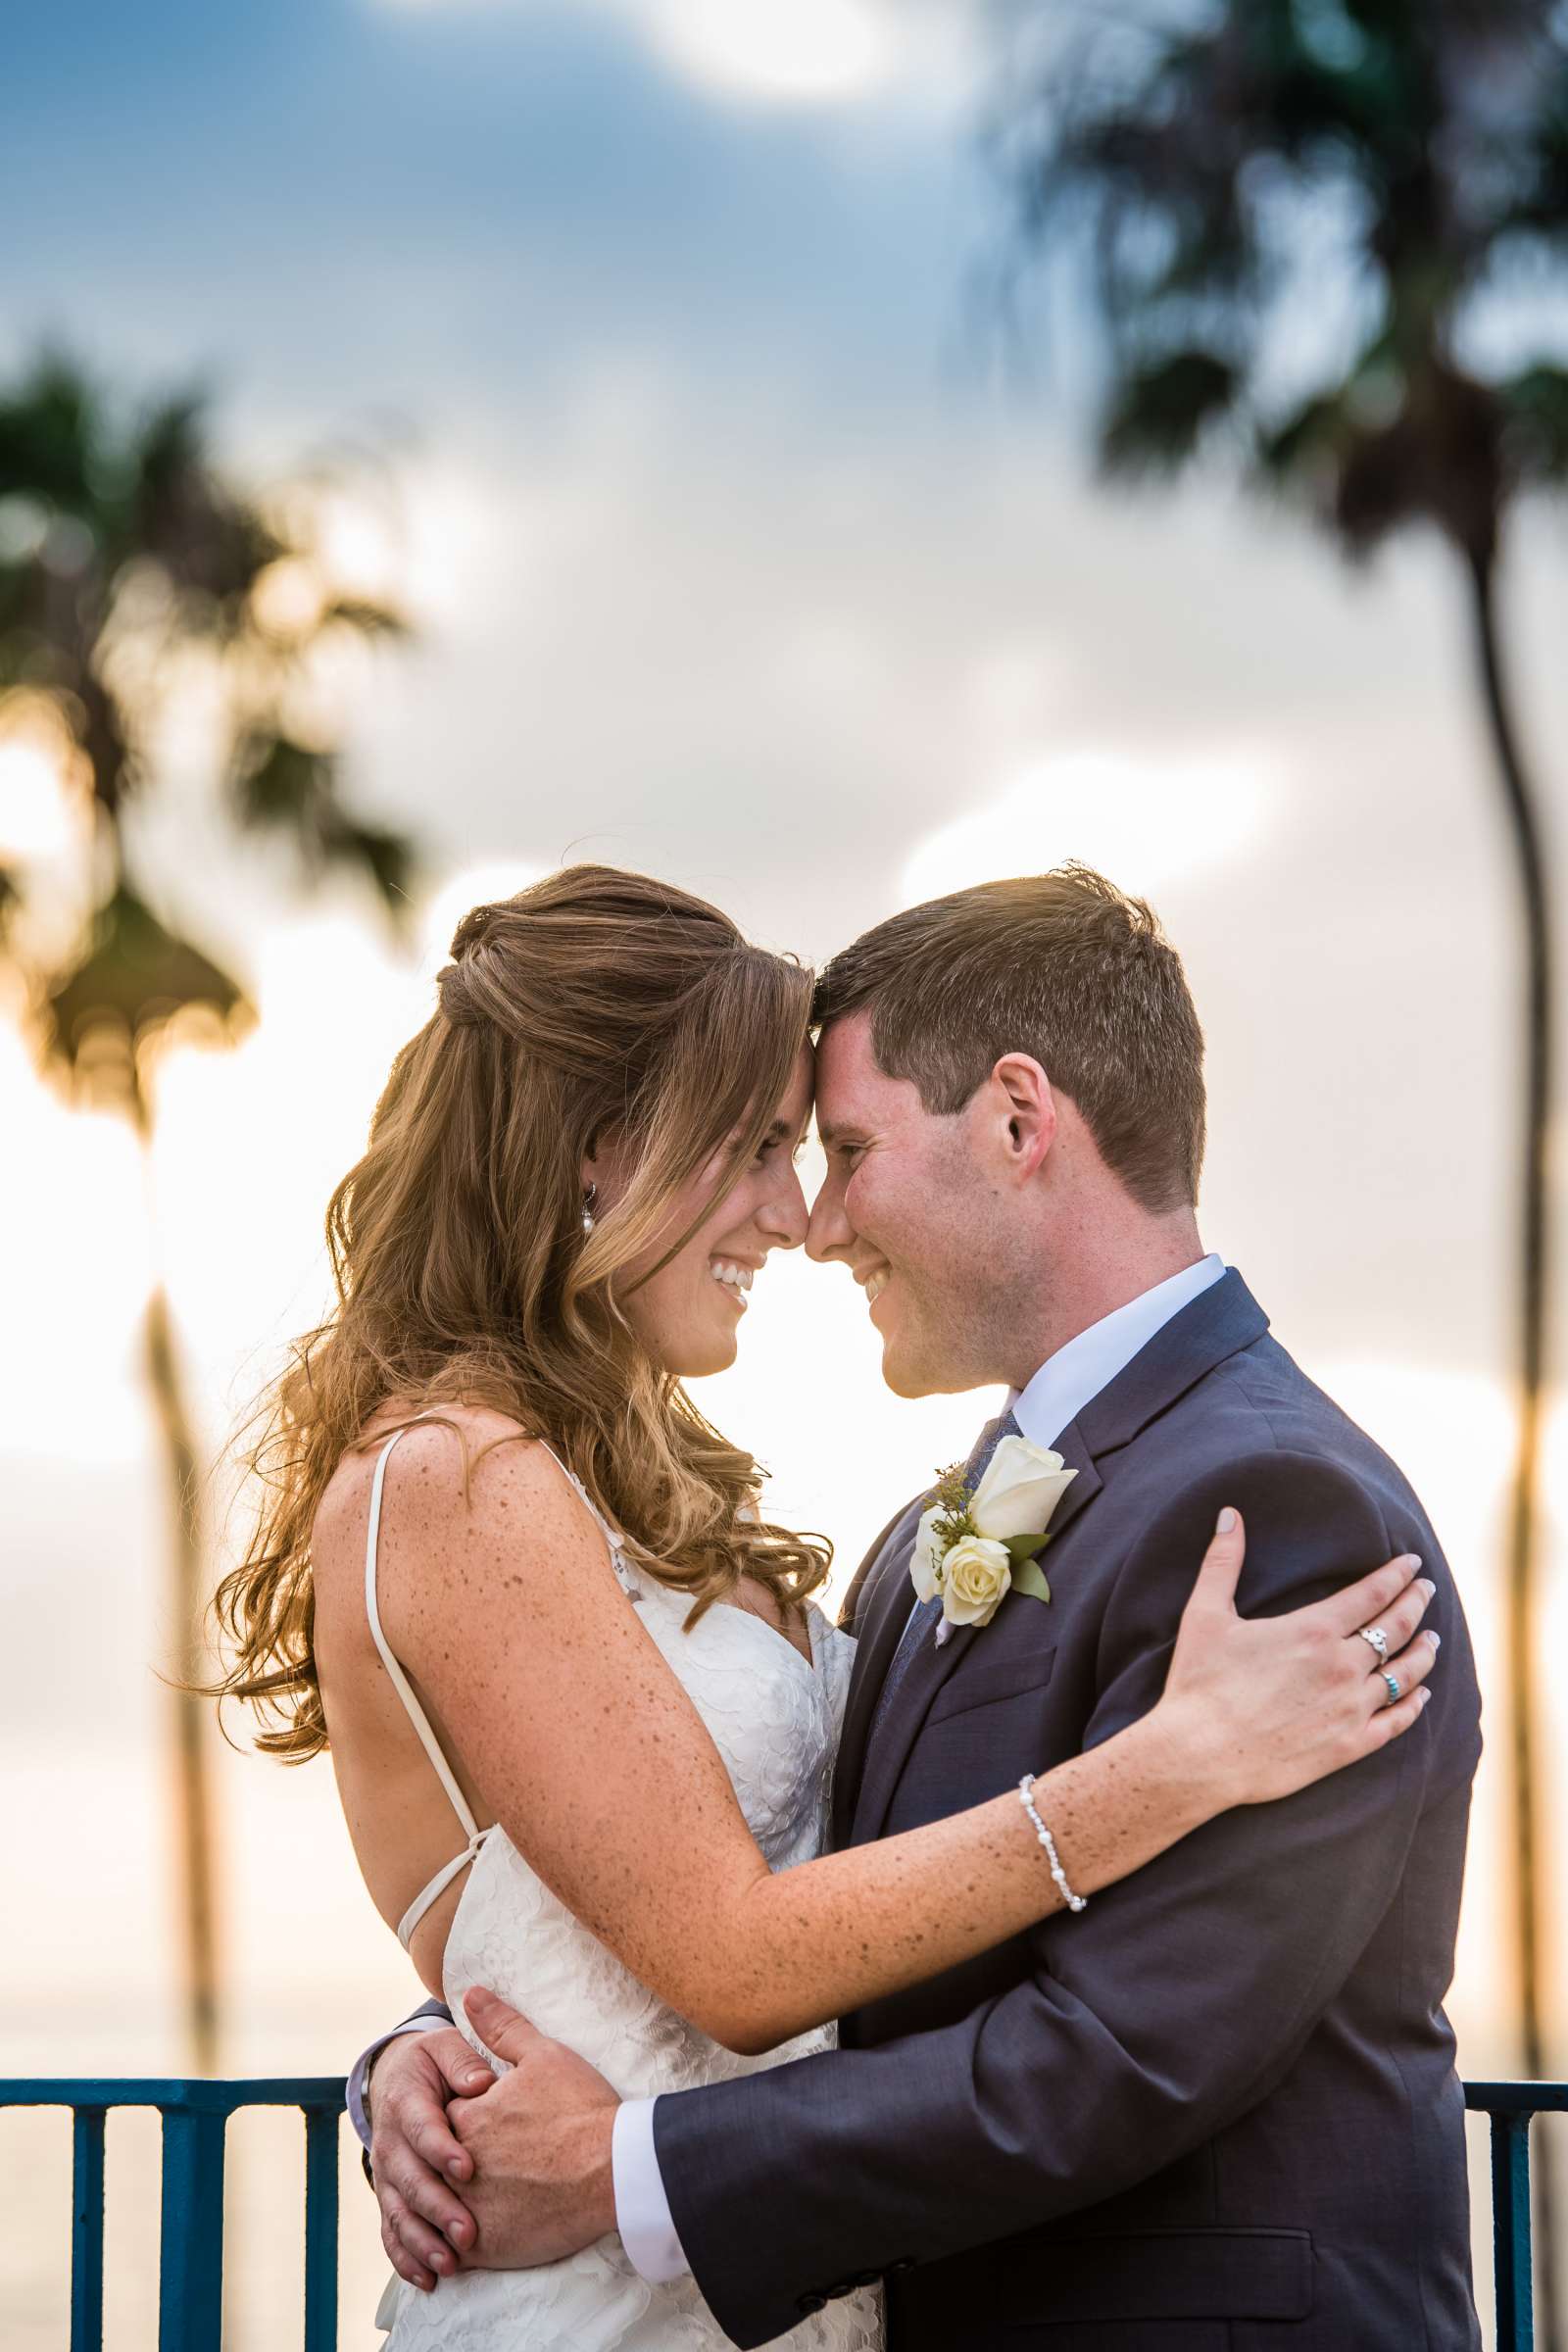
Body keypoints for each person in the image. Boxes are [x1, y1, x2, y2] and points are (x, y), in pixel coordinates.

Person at [360, 867, 1482, 2351]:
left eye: (839, 1149)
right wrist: (443, 2051)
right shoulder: (923, 1538)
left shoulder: (1276, 1511)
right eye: (772, 1154)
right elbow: (797, 1904)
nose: (814, 1222)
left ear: (1020, 1122)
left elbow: (1117, 2057)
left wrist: (620, 2169)